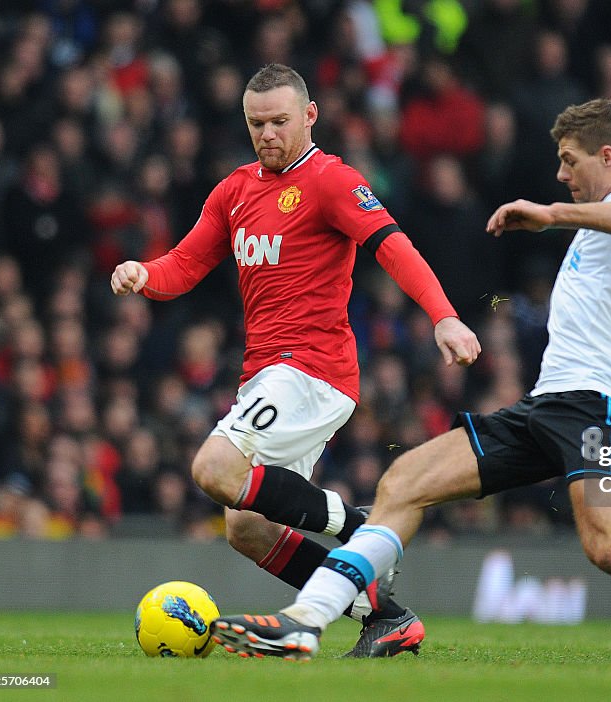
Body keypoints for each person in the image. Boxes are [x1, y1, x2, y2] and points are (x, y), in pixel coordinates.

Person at [210, 98, 611, 668]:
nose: (562, 175)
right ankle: (304, 623)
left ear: (608, 156)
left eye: (570, 162)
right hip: (545, 405)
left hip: (599, 407)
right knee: (403, 482)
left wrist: (552, 215)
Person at [110, 63, 481, 657]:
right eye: (257, 124)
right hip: (267, 372)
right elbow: (183, 265)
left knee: (212, 469)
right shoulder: (234, 190)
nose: (268, 134)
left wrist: (443, 315)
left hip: (312, 367)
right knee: (247, 528)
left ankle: (360, 527)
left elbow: (392, 244)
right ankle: (386, 616)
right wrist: (143, 273)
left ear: (310, 115)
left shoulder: (331, 180)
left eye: (280, 121)